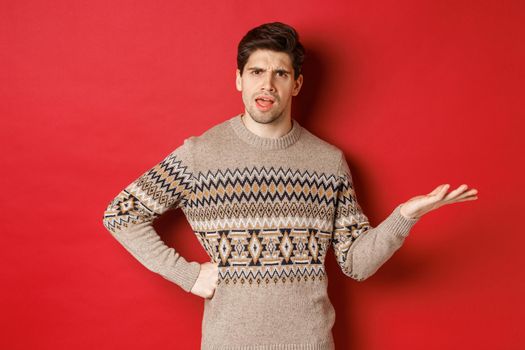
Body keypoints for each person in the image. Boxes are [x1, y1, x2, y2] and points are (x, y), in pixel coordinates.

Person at [102, 21, 478, 350]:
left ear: (296, 84)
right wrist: (188, 275)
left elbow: (356, 264)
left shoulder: (328, 162)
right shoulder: (200, 154)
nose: (267, 84)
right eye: (256, 71)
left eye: (280, 73)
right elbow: (121, 214)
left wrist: (403, 217)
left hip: (310, 343)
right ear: (238, 79)